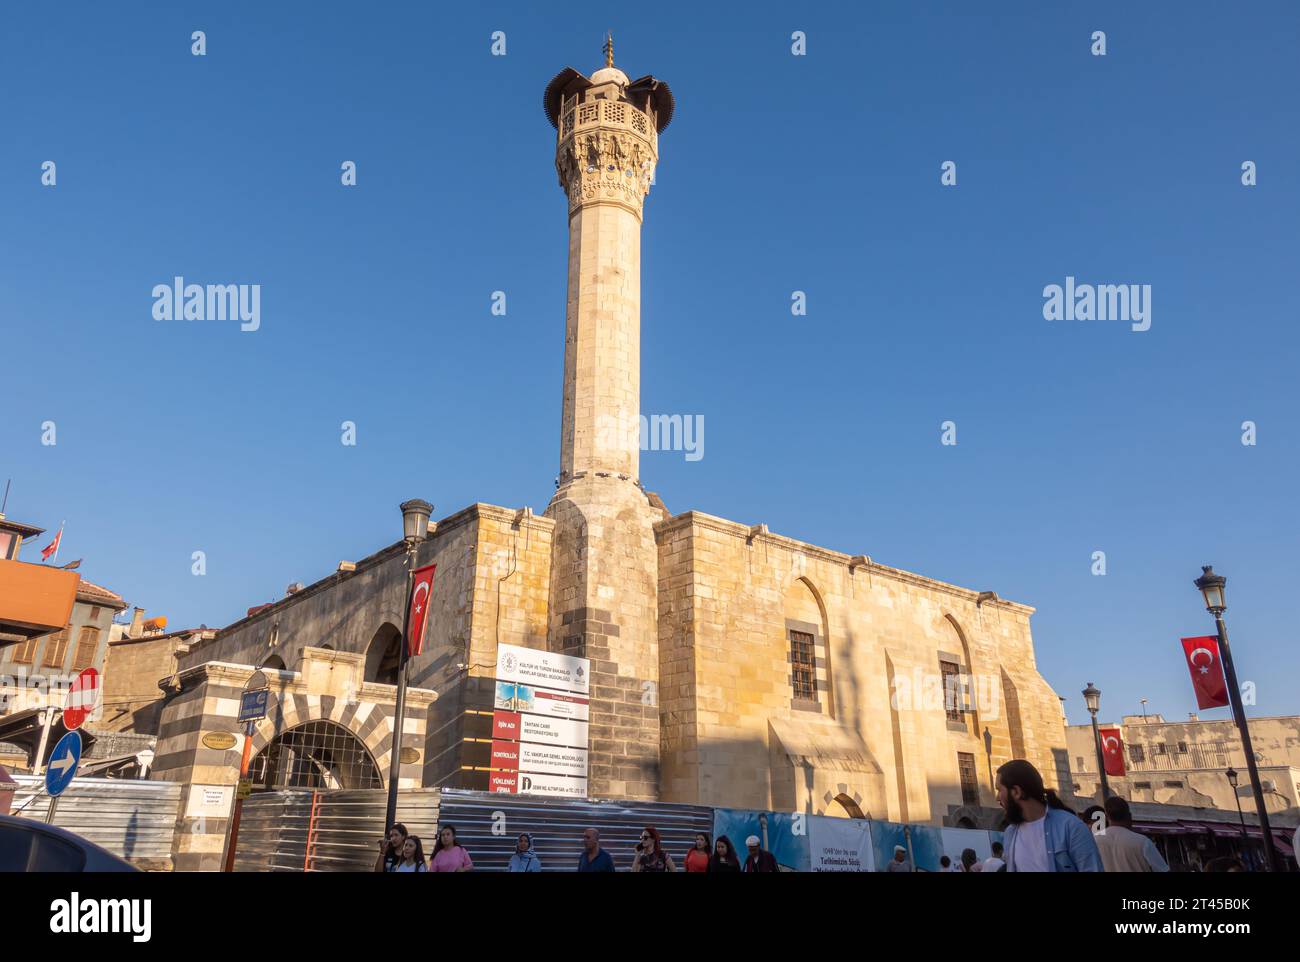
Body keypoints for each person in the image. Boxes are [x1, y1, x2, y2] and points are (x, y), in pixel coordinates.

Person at [997, 759, 1102, 872]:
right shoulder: (1010, 833)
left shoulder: (1070, 827)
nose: (997, 798)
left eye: (999, 790)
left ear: (1016, 792)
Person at [1094, 796, 1170, 873]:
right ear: (1129, 816)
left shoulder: (1094, 840)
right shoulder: (1142, 842)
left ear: (1106, 817)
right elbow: (1163, 869)